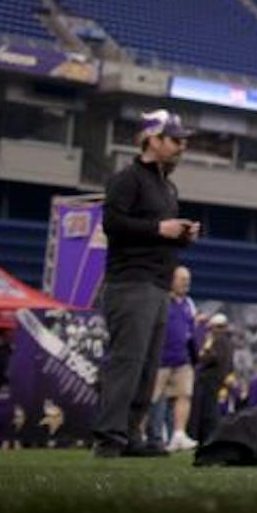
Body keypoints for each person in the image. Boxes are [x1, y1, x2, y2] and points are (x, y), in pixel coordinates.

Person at [93, 110, 199, 458]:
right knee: (127, 361)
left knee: (147, 366)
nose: (181, 146)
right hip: (131, 281)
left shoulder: (167, 186)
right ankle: (110, 437)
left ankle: (131, 434)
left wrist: (182, 235)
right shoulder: (128, 178)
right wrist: (158, 229)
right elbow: (111, 222)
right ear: (152, 140)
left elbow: (158, 232)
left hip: (157, 284)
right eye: (174, 139)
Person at [154, 266, 204, 452]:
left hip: (182, 359)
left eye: (188, 279)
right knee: (150, 398)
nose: (186, 282)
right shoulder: (161, 300)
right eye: (182, 278)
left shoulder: (189, 303)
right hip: (160, 359)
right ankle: (140, 434)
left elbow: (191, 332)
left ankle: (178, 434)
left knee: (184, 395)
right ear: (171, 280)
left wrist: (194, 357)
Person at [191, 312, 233, 446]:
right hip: (218, 379)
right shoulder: (228, 342)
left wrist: (203, 355)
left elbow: (213, 358)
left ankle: (208, 437)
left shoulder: (219, 340)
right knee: (211, 409)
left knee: (208, 411)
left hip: (209, 379)